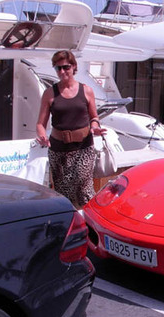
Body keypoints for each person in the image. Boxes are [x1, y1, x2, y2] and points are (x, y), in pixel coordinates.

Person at [36, 50, 106, 208]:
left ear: (74, 66)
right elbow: (40, 124)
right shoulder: (49, 93)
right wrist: (42, 136)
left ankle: (90, 223)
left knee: (83, 188)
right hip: (58, 149)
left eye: (66, 67)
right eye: (58, 68)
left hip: (83, 147)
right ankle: (70, 225)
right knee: (64, 192)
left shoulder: (86, 90)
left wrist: (95, 128)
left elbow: (94, 117)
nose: (62, 72)